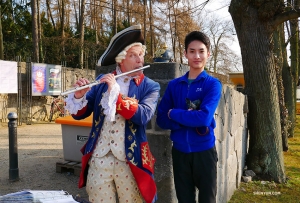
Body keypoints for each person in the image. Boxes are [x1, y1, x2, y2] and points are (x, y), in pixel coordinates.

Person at [65, 25, 160, 203]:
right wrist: (79, 95)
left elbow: (144, 116)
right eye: (133, 55)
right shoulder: (102, 82)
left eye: (141, 55)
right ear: (121, 60)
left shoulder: (150, 86)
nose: (140, 60)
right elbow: (80, 114)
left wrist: (116, 96)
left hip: (130, 161)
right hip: (100, 158)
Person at [156, 31, 222, 203]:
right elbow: (161, 119)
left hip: (204, 153)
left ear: (208, 53)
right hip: (180, 153)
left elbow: (203, 119)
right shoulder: (174, 85)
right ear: (185, 54)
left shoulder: (213, 85)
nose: (197, 56)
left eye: (201, 51)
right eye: (192, 51)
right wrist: (186, 121)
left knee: (208, 200)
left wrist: (175, 113)